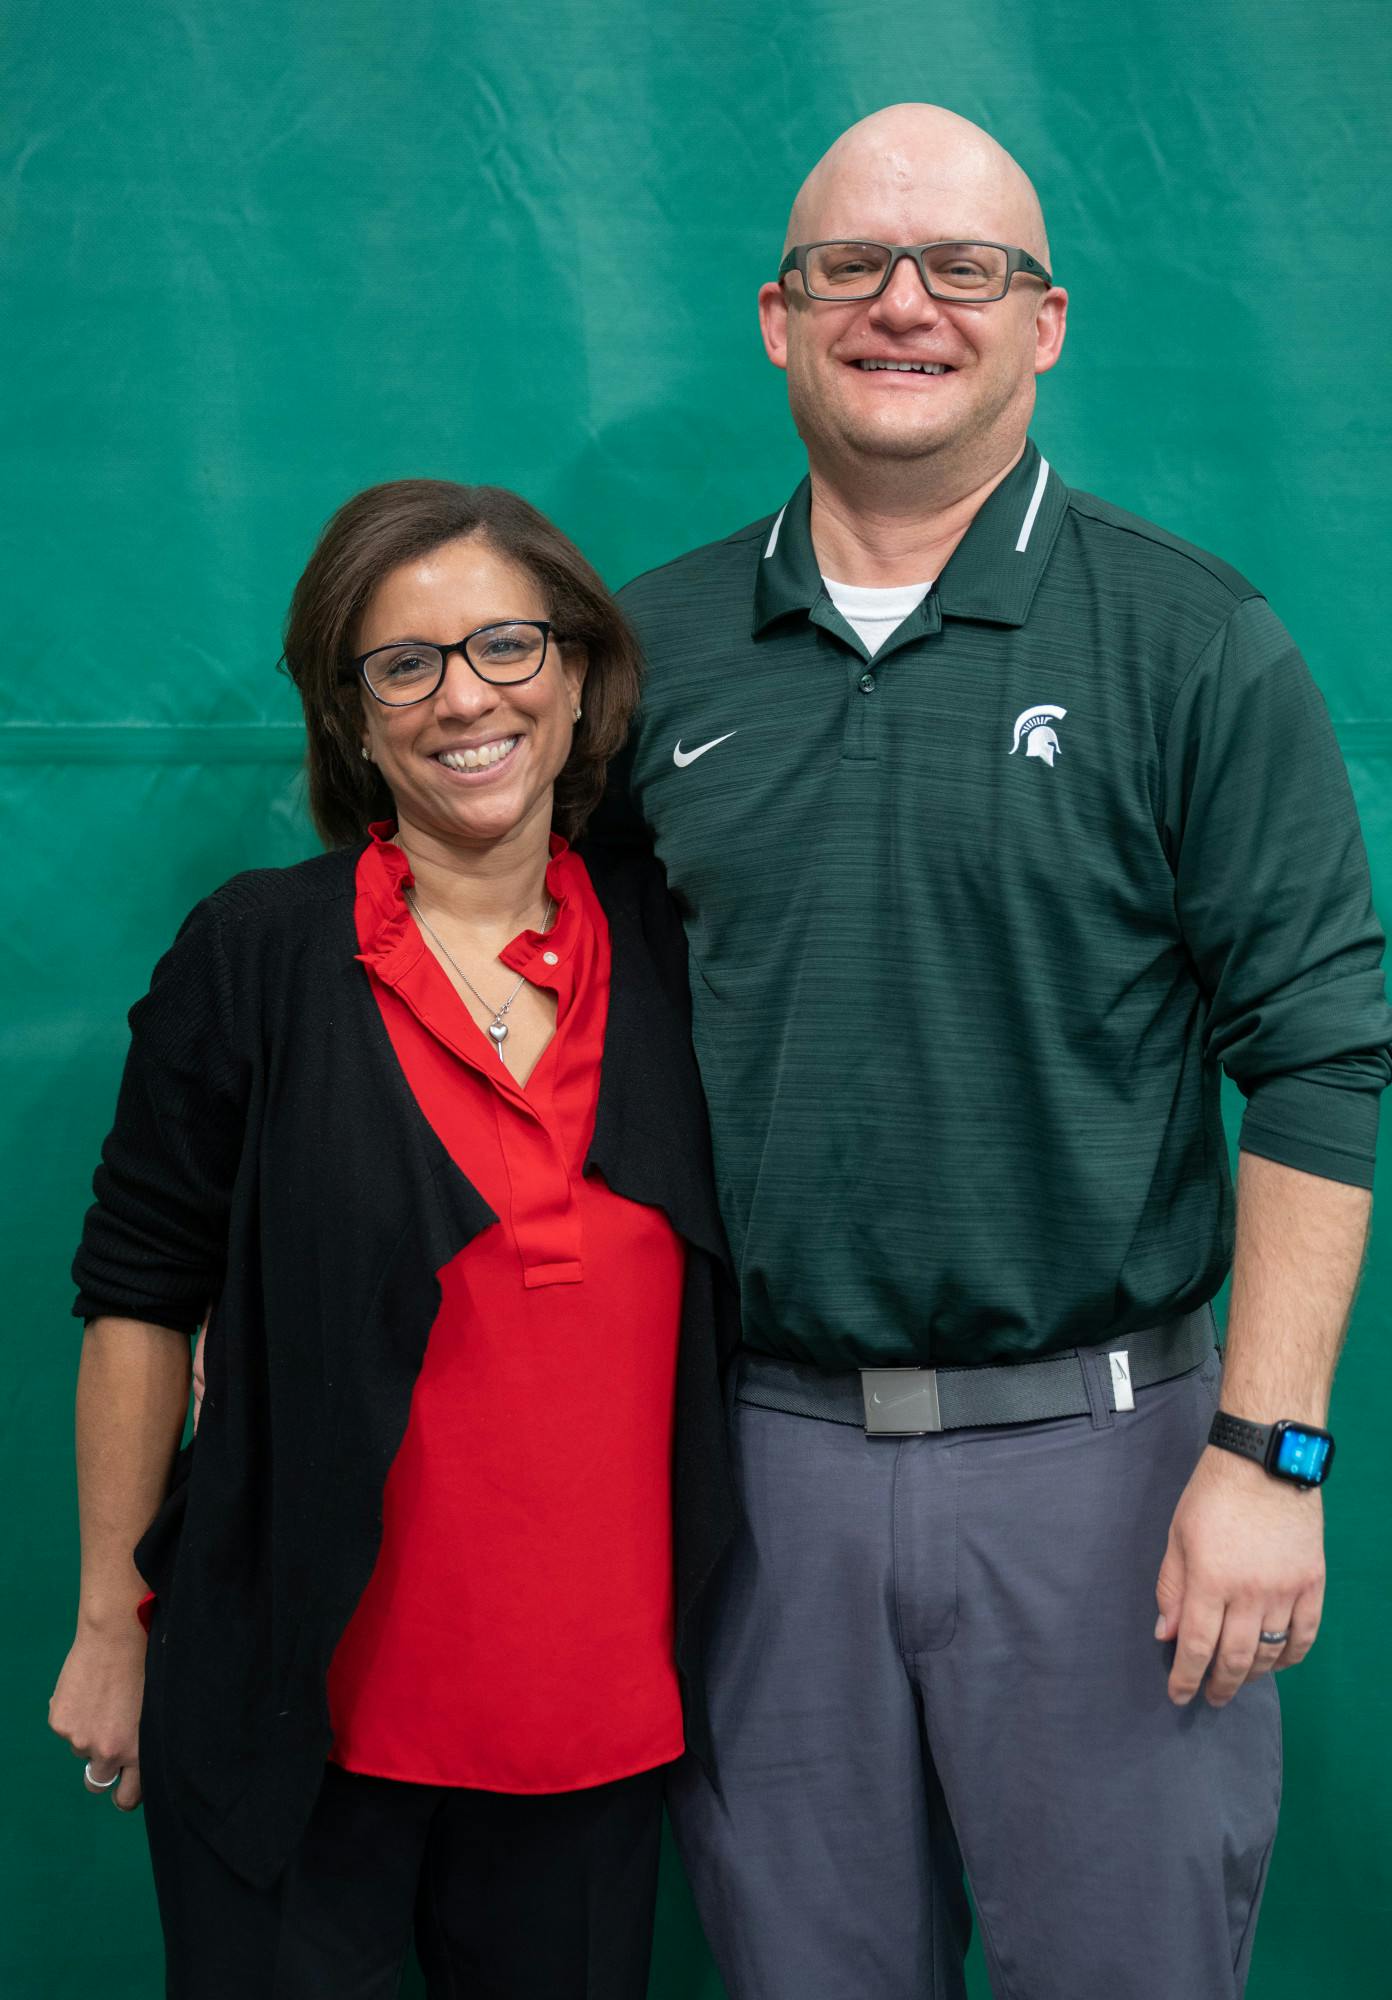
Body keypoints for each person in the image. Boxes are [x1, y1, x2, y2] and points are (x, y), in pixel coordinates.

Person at [599, 105, 1392, 1998]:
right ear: (775, 319)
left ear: (1047, 322)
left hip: (1108, 1468)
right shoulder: (651, 655)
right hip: (755, 1473)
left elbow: (1323, 1058)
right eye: (851, 269)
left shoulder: (1195, 643)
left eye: (965, 269)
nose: (905, 307)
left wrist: (1271, 1455)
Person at [48, 479, 738, 1999]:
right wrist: (111, 1618)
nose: (463, 698)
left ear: (576, 675)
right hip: (300, 1729)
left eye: (506, 645)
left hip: (594, 1738)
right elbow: (139, 1295)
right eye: (403, 665)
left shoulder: (686, 947)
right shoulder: (257, 955)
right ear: (351, 719)